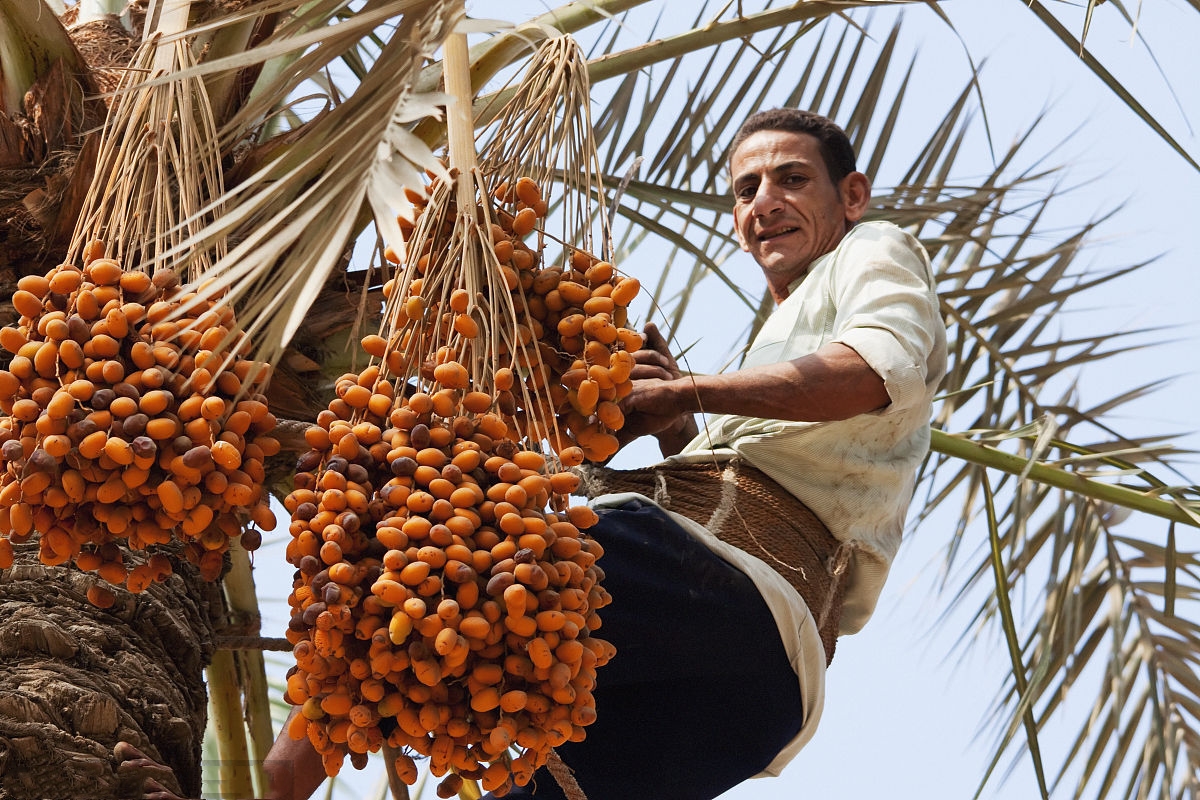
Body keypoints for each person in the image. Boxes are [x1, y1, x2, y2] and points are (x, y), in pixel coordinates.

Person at [118, 108, 946, 800]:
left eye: (791, 179)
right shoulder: (782, 327)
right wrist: (674, 431)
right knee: (485, 725)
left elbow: (874, 372)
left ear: (853, 196)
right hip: (753, 689)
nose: (765, 201)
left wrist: (686, 391)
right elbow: (782, 469)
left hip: (731, 598)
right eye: (746, 188)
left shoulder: (870, 252)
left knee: (406, 573)